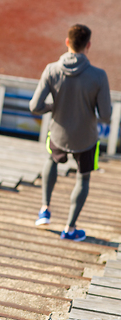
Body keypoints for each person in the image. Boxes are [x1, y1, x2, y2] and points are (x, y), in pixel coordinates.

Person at [29, 24, 111, 241]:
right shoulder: (99, 76)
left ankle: (44, 210)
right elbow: (105, 115)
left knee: (51, 161)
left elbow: (34, 106)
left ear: (67, 42)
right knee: (83, 179)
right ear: (88, 45)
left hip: (58, 133)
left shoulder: (51, 70)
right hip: (86, 138)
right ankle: (70, 229)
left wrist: (52, 108)